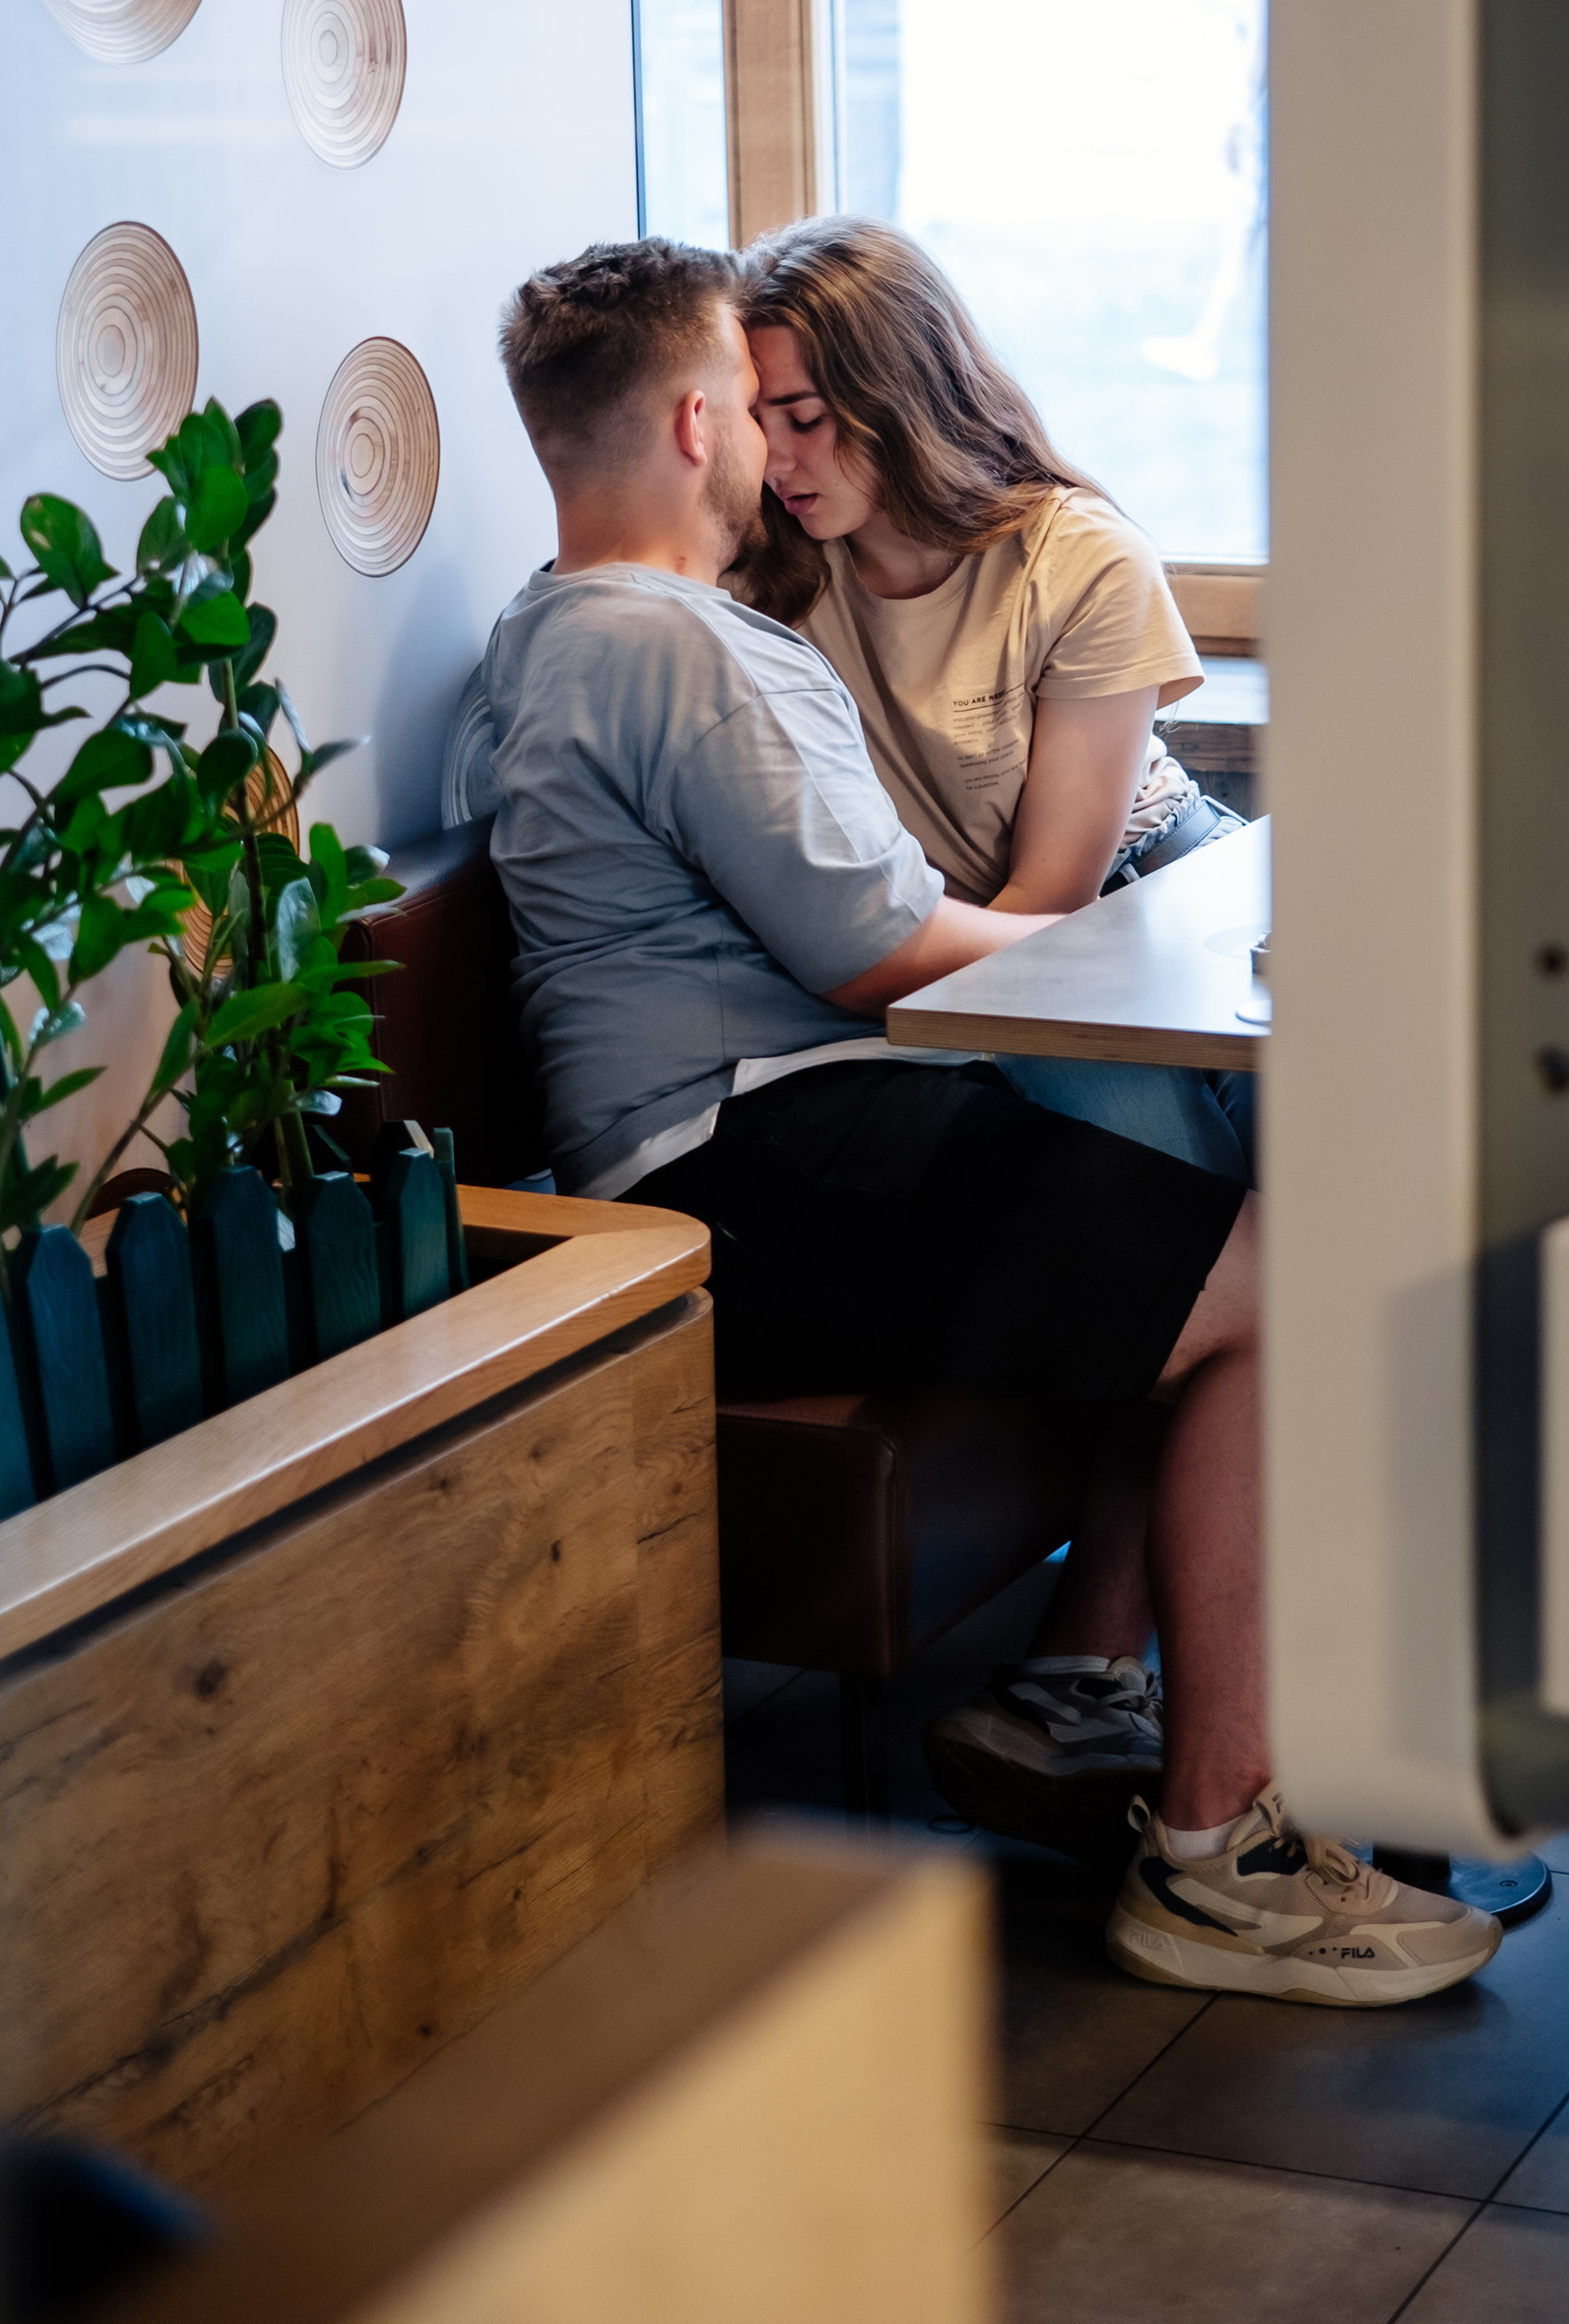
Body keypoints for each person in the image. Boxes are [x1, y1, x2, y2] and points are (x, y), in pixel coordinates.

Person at [450, 235, 1496, 2006]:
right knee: (1284, 1274)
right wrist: (1128, 942)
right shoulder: (695, 652)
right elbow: (880, 958)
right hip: (760, 1158)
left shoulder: (548, 638)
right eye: (757, 410)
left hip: (721, 1149)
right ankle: (1213, 1849)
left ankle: (1125, 1701)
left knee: (1205, 1230)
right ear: (701, 417)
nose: (779, 455)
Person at [732, 216, 1252, 1181]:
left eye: (803, 419)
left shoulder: (1081, 557)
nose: (774, 461)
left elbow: (1053, 898)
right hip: (992, 955)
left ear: (897, 398)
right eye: (754, 421)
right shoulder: (766, 578)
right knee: (1185, 1218)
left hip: (1147, 900)